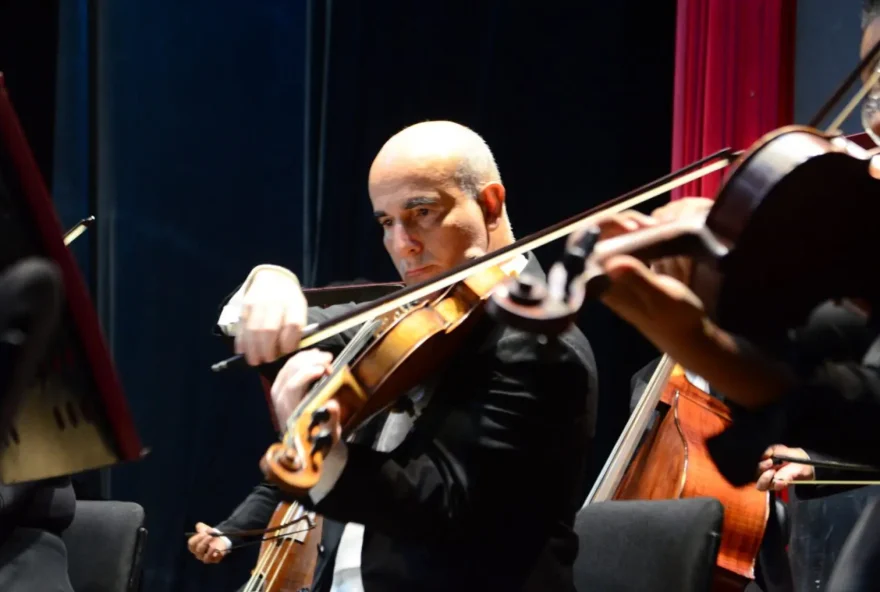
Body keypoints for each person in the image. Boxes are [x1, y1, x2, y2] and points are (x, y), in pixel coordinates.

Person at [215, 120, 599, 592]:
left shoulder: (538, 346)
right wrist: (270, 281)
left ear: (490, 204)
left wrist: (318, 451)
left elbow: (439, 508)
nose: (402, 245)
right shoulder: (409, 314)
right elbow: (269, 334)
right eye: (386, 223)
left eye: (422, 213)